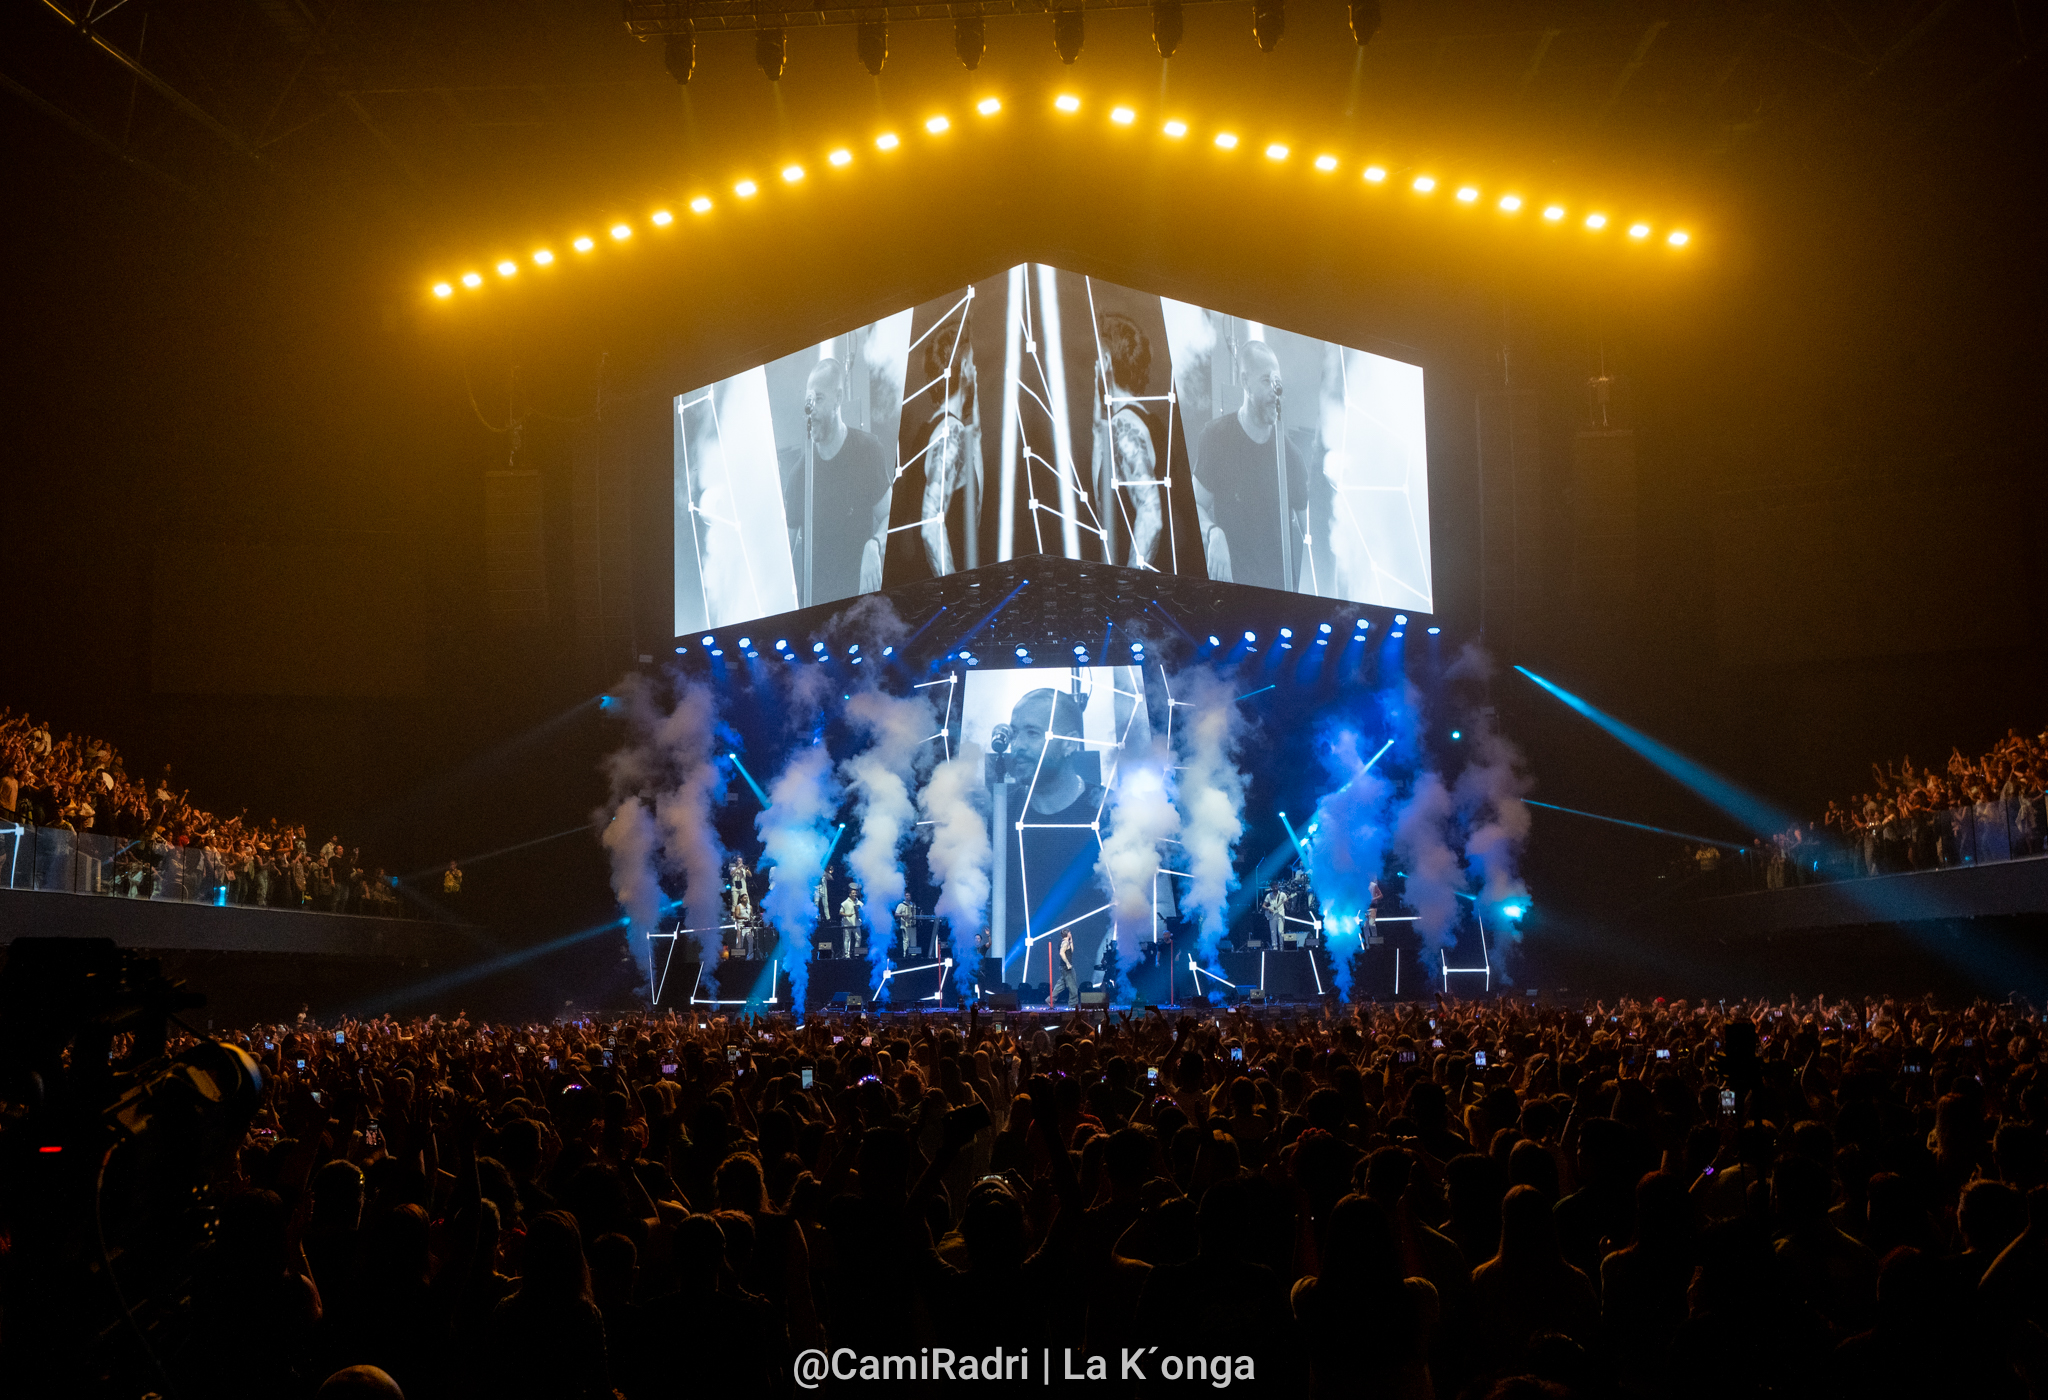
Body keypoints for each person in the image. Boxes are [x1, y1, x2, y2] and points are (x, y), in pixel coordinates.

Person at [988, 687, 1110, 996]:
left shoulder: (1109, 811)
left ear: (1069, 743)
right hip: (1015, 989)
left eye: (1032, 733)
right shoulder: (1000, 813)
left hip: (1092, 992)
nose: (1018, 745)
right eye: (1015, 732)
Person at [1192, 340, 1310, 591]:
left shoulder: (1291, 456)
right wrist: (1214, 533)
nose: (1275, 392)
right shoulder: (1216, 438)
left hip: (1280, 595)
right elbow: (1195, 505)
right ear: (1245, 382)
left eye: (1277, 381)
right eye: (1266, 380)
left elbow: (1311, 533)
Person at [779, 357, 893, 606]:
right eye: (809, 401)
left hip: (859, 605)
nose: (812, 410)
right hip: (816, 609)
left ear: (838, 398)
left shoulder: (867, 451)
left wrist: (874, 545)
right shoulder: (800, 475)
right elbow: (783, 553)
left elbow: (890, 515)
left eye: (819, 399)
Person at [1092, 311, 1166, 570]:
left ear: (1107, 361)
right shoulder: (1144, 421)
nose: (1094, 366)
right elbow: (1102, 504)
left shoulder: (1124, 427)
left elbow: (1151, 516)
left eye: (1099, 358)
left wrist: (1130, 587)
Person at [1054, 930, 1079, 1006]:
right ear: (1067, 934)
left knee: (1061, 985)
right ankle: (1073, 1004)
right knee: (1072, 986)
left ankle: (1050, 999)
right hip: (1067, 967)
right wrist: (1067, 963)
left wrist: (1071, 940)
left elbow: (1071, 951)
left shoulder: (1065, 942)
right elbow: (1061, 952)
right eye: (1070, 933)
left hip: (1063, 967)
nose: (1071, 934)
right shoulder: (1065, 943)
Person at [839, 883, 863, 959]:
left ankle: (856, 953)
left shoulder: (859, 903)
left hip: (856, 923)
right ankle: (846, 955)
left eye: (855, 893)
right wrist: (847, 915)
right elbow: (840, 912)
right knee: (847, 939)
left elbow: (863, 912)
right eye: (853, 893)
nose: (855, 894)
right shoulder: (845, 903)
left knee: (858, 938)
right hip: (847, 923)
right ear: (850, 894)